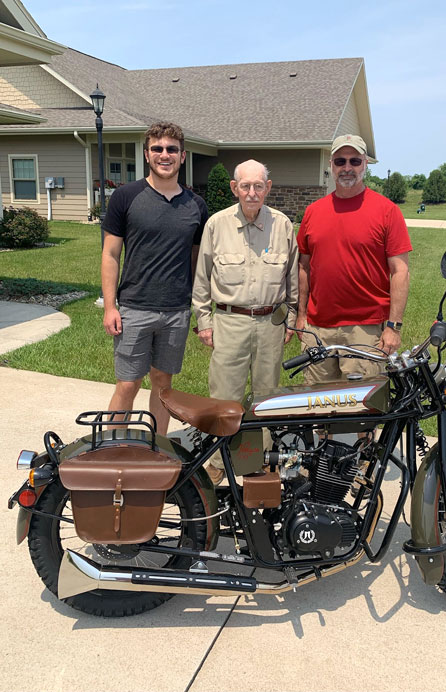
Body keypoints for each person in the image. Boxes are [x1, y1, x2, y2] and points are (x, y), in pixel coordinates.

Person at [192, 159, 298, 484]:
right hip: (228, 323)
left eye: (258, 186)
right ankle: (219, 461)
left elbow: (292, 278)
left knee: (267, 397)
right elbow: (201, 279)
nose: (252, 193)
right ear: (234, 188)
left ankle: (261, 461)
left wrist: (291, 319)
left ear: (268, 187)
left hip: (270, 324)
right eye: (245, 186)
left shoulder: (282, 226)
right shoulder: (216, 225)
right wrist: (203, 320)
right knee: (225, 396)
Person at [101, 121, 207, 434]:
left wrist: (199, 307)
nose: (165, 154)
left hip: (176, 311)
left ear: (183, 156)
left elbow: (198, 261)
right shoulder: (126, 197)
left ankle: (157, 449)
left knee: (163, 386)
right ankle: (110, 449)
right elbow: (110, 255)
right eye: (157, 148)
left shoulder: (196, 206)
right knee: (128, 383)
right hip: (134, 307)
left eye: (171, 149)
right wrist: (110, 306)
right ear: (147, 154)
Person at [295, 134, 412, 384]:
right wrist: (301, 315)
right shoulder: (313, 212)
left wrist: (393, 326)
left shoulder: (387, 211)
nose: (347, 168)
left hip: (365, 330)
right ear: (331, 165)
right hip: (317, 329)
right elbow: (303, 268)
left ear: (365, 164)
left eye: (354, 161)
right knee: (315, 408)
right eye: (340, 161)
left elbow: (400, 271)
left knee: (361, 412)